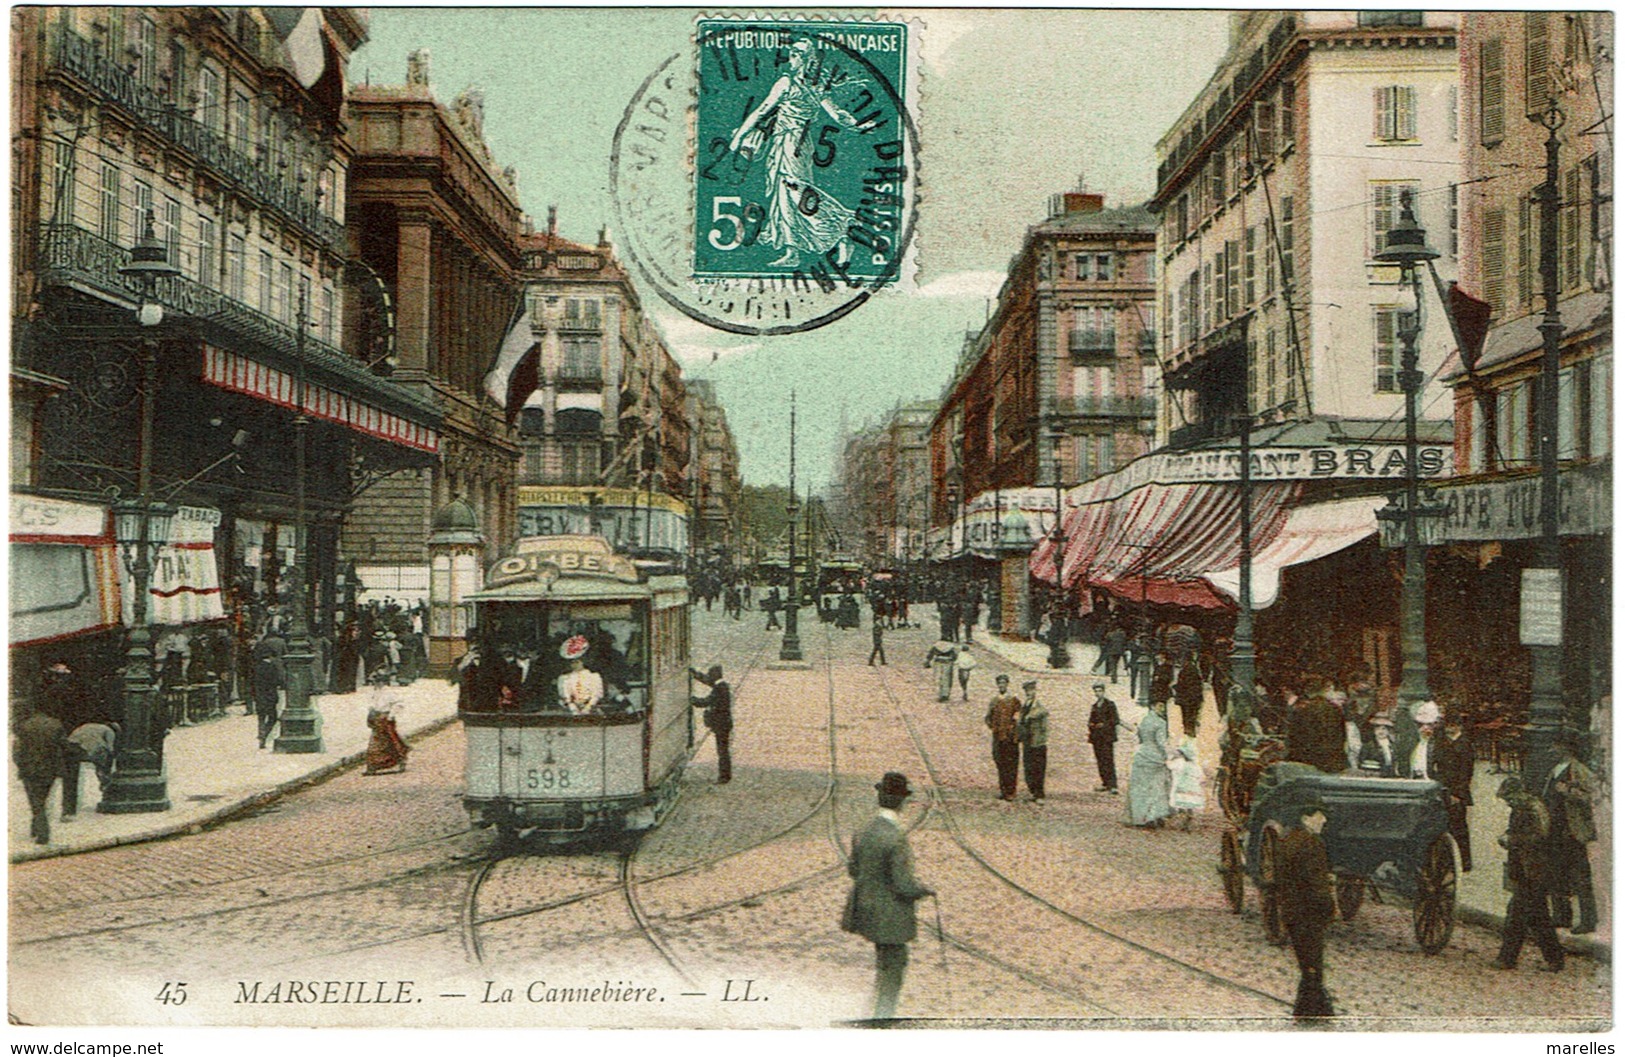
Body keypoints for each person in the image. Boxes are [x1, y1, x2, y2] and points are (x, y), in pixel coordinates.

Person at [841, 772, 934, 1020]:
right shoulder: (896, 837)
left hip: (866, 910)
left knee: (883, 964)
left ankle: (875, 1013)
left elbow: (854, 870)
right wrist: (923, 890)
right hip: (891, 916)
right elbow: (903, 885)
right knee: (894, 969)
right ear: (903, 802)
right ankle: (882, 1020)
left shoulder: (863, 830)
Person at [1495, 776, 1565, 971]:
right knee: (1538, 917)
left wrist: (1512, 839)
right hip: (1529, 869)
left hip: (1534, 869)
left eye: (1508, 798)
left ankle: (1507, 958)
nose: (1508, 803)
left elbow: (1539, 836)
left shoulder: (1530, 809)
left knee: (1516, 915)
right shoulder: (1525, 808)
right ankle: (1555, 959)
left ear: (1517, 794)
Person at [1279, 794, 1336, 1017]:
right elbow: (1317, 884)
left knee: (1306, 962)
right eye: (1320, 817)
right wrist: (1328, 907)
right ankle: (1312, 1009)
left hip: (1292, 911)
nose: (1323, 821)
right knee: (1313, 963)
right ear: (1306, 818)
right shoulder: (1312, 844)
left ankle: (1309, 1006)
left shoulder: (1287, 839)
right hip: (1309, 912)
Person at [1542, 731, 1598, 934]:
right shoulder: (1554, 769)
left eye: (1555, 747)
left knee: (1580, 877)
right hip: (1555, 829)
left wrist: (1568, 792)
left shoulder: (1579, 771)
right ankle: (1562, 916)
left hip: (1572, 830)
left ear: (1566, 749)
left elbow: (1592, 797)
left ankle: (1588, 919)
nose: (1552, 750)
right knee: (1557, 874)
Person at [1431, 709, 1476, 872]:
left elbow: (1466, 773)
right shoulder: (1442, 742)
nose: (1450, 729)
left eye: (1453, 726)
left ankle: (1464, 862)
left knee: (1459, 827)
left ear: (1459, 727)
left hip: (1457, 791)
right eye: (1447, 726)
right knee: (1445, 825)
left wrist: (1458, 794)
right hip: (1443, 788)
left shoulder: (1465, 745)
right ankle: (1448, 860)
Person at [14, 707, 65, 844]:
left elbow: (17, 749)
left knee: (35, 800)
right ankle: (35, 827)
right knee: (42, 798)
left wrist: (20, 765)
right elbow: (63, 745)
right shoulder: (56, 724)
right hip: (50, 768)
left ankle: (43, 832)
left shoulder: (24, 726)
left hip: (29, 768)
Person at [1125, 698, 1172, 828]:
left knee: (1140, 787)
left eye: (1163, 706)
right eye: (1160, 706)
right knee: (1155, 787)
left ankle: (1140, 816)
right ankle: (1153, 816)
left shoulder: (1144, 720)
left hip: (1142, 755)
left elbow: (1140, 738)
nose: (1162, 709)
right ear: (1152, 706)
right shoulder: (1160, 723)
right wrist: (1171, 755)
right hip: (1155, 757)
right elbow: (1161, 743)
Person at [1286, 677, 1346, 774]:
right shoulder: (1335, 709)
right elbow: (1342, 735)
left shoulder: (1302, 709)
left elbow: (1295, 737)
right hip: (1332, 759)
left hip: (1308, 759)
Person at [691, 664, 733, 784]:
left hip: (721, 725)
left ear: (716, 675)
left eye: (711, 674)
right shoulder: (721, 685)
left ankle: (724, 777)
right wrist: (696, 674)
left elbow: (707, 701)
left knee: (722, 751)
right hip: (723, 724)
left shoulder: (720, 688)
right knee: (723, 750)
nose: (709, 676)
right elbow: (708, 681)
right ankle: (725, 776)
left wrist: (692, 700)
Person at [984, 674, 1021, 801]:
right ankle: (1003, 789)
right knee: (1000, 762)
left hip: (1010, 738)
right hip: (998, 737)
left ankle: (1011, 790)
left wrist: (1013, 729)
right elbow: (988, 718)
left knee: (1011, 763)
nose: (1001, 686)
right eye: (999, 683)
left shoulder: (1014, 700)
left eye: (1004, 683)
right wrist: (994, 728)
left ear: (1007, 684)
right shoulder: (994, 701)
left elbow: (1018, 717)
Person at [1016, 680, 1049, 804]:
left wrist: (1030, 716)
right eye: (1027, 691)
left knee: (1038, 767)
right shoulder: (1026, 704)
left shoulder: (1038, 703)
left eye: (1031, 690)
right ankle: (1033, 791)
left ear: (1035, 690)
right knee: (1028, 767)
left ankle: (1039, 793)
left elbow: (1044, 711)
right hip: (1027, 740)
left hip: (1038, 740)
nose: (1029, 693)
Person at [252, 631, 286, 749]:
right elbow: (277, 681)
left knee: (261, 716)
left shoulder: (256, 667)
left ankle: (261, 734)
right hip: (270, 695)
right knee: (272, 717)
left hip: (258, 696)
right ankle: (264, 735)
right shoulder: (272, 667)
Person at [363, 691, 410, 776]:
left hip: (385, 719)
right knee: (375, 743)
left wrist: (391, 716)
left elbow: (399, 704)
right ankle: (373, 765)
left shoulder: (389, 692)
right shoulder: (374, 691)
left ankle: (397, 760)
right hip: (377, 719)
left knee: (389, 740)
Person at [1087, 683, 1121, 794]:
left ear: (1104, 691)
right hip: (1097, 737)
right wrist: (1091, 725)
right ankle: (1105, 782)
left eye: (1100, 691)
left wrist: (1104, 725)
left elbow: (1115, 720)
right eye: (1096, 691)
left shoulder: (1110, 705)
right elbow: (1091, 720)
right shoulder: (1094, 706)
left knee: (1108, 760)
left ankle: (1113, 784)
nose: (1098, 693)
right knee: (1100, 760)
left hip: (1107, 737)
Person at [557, 635, 604, 714]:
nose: (574, 665)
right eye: (572, 662)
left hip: (591, 708)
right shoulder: (565, 678)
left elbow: (596, 695)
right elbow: (566, 696)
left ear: (583, 662)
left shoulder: (593, 676)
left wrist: (588, 707)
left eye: (577, 662)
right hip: (571, 710)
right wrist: (573, 708)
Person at [1169, 735, 1205, 831]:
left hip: (1183, 788)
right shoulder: (1196, 766)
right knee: (1190, 807)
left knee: (1182, 806)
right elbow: (1201, 777)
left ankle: (1182, 823)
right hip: (1193, 789)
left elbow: (1171, 767)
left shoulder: (1181, 763)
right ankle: (1188, 822)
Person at [1173, 658, 1203, 738]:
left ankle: (1189, 730)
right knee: (1191, 714)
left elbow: (1185, 684)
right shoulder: (1193, 669)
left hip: (1188, 697)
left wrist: (1176, 687)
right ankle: (1189, 729)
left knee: (1187, 714)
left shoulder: (1187, 670)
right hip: (1192, 697)